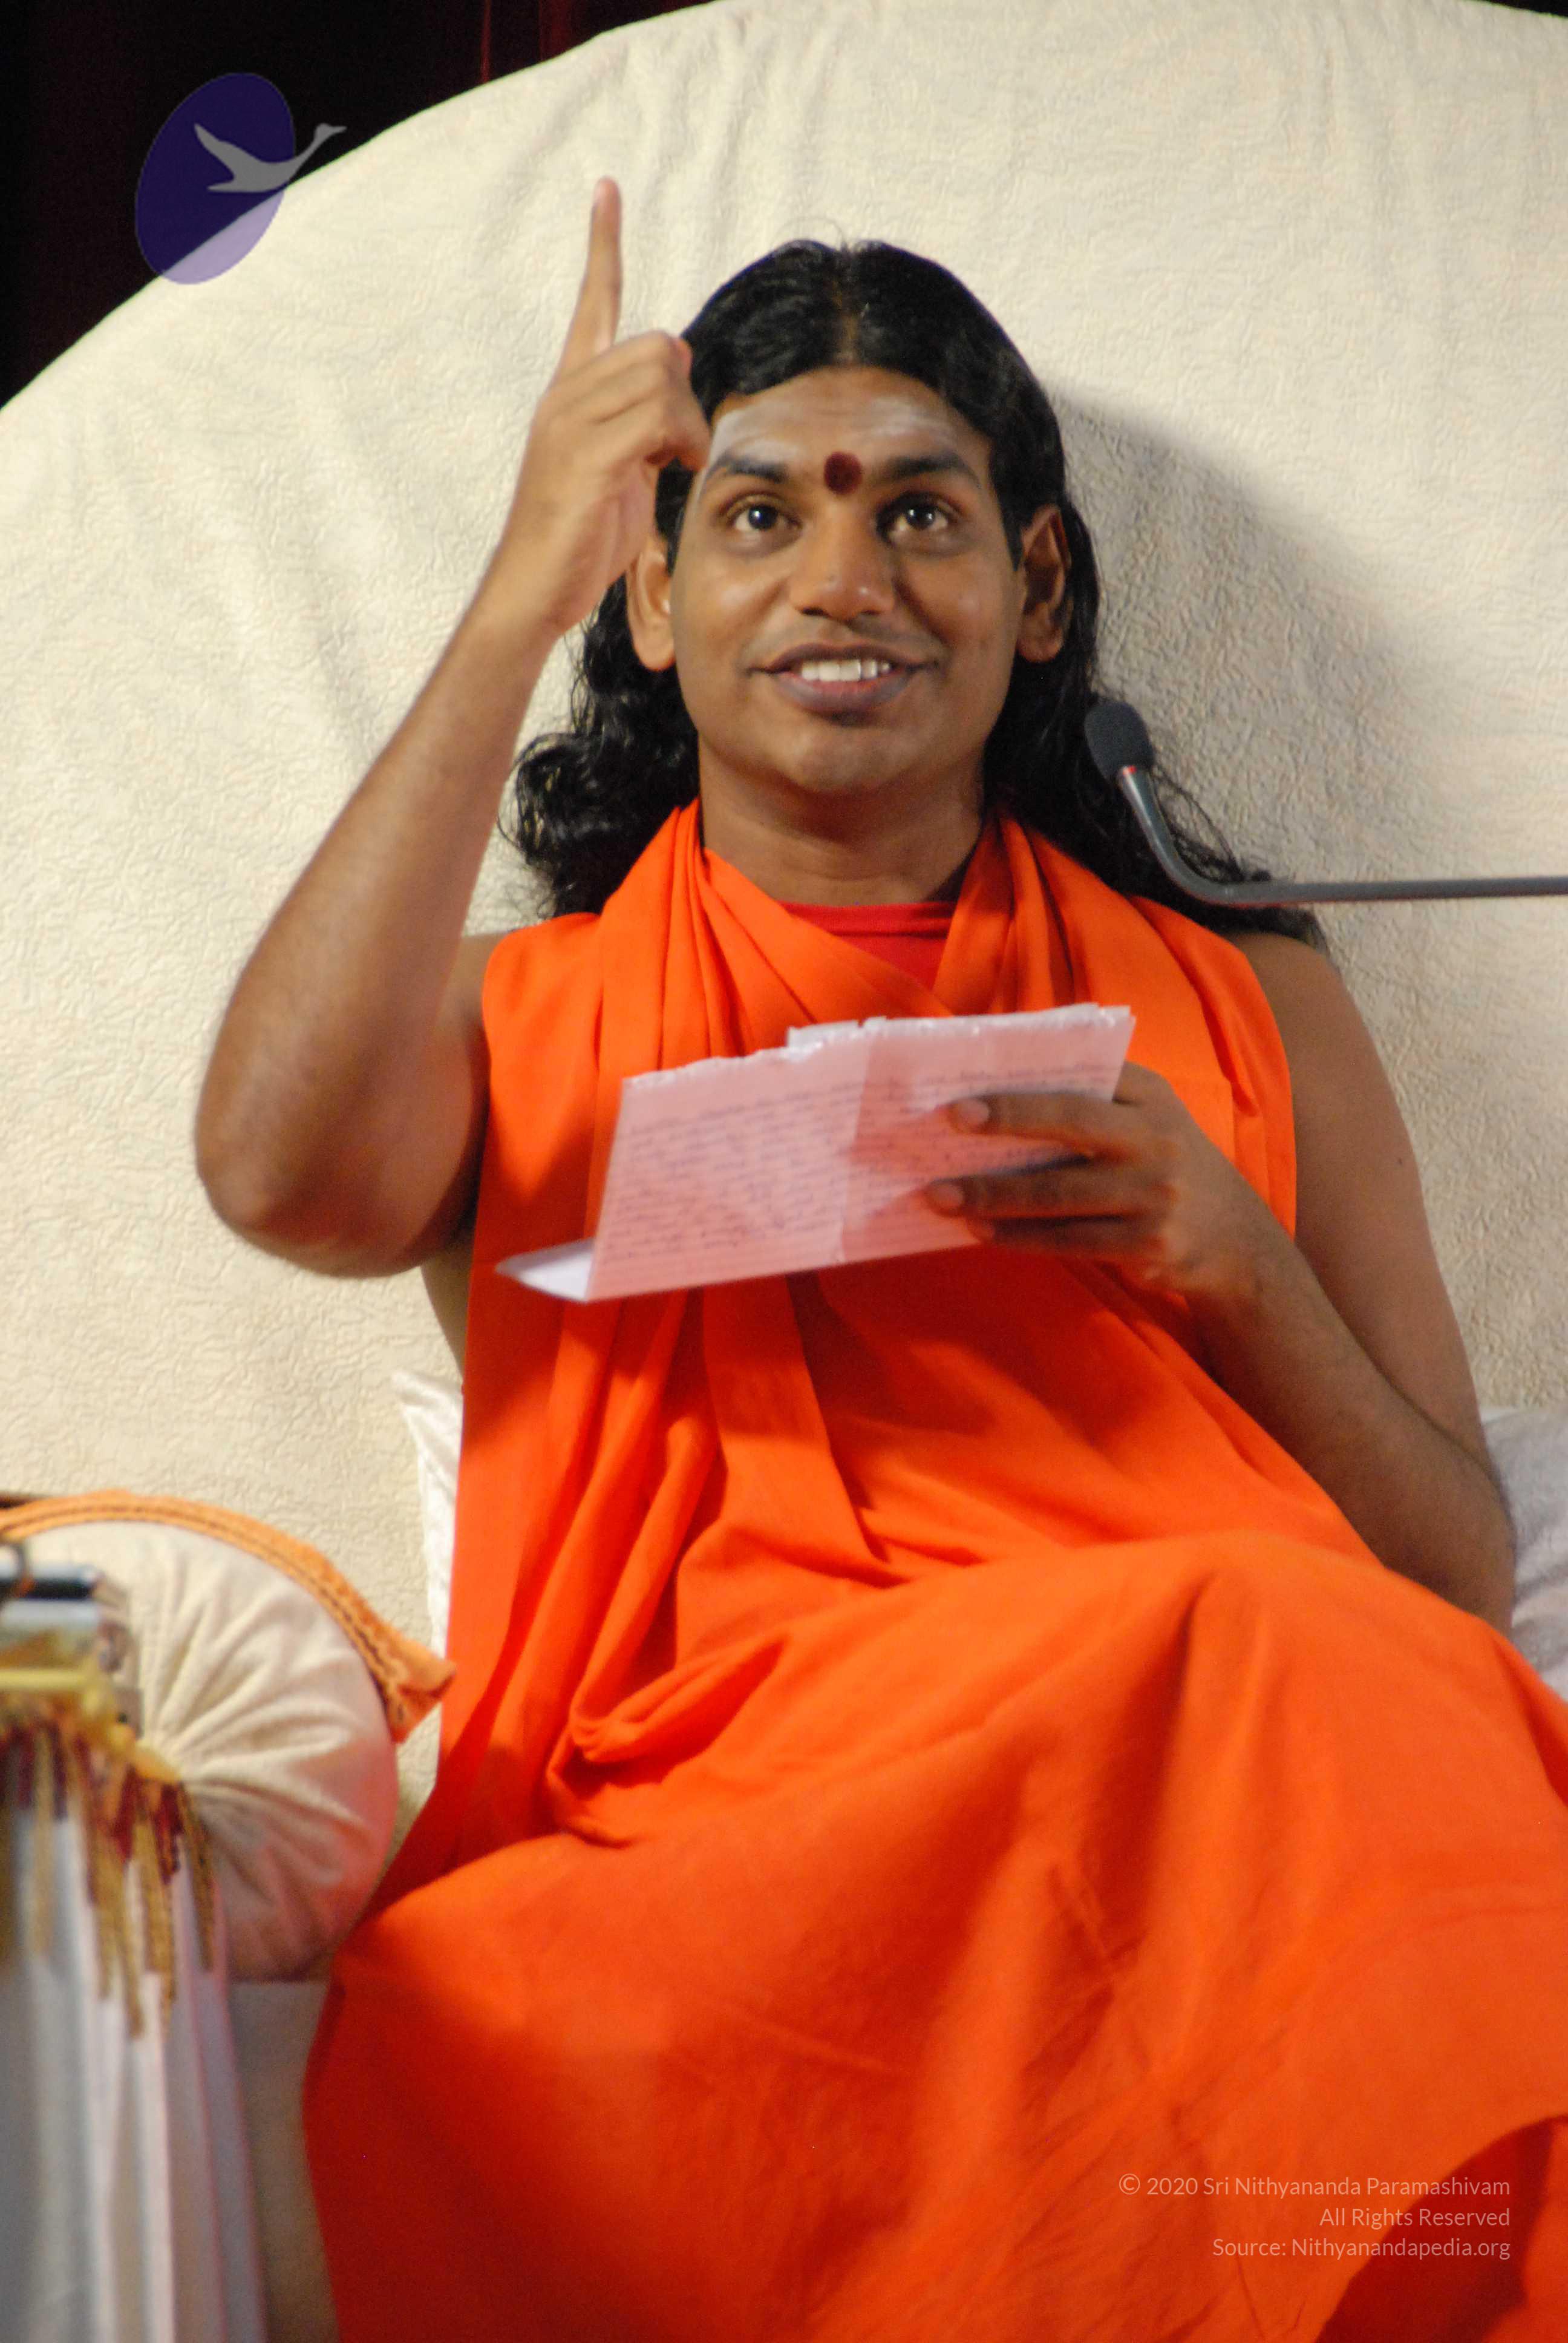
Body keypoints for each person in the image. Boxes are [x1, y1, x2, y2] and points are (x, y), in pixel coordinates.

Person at [196, 180, 1568, 2340]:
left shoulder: (1250, 1005)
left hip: (1214, 1790)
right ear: (654, 597)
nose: (847, 581)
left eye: (920, 514)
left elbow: (1454, 1588)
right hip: (736, 1846)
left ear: (1038, 587)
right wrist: (515, 593)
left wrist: (1231, 1264)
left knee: (1329, 1673)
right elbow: (274, 1175)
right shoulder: (510, 1024)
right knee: (495, 2006)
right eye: (760, 517)